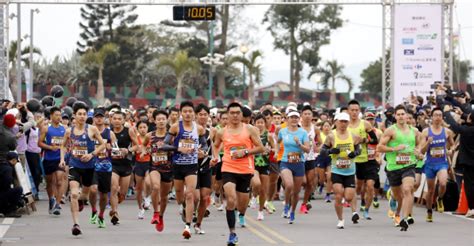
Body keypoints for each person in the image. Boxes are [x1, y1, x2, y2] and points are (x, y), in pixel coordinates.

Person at [211, 102, 264, 246]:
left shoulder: (250, 130)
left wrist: (245, 152)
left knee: (241, 205)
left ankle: (240, 214)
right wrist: (215, 158)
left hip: (246, 170)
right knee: (230, 198)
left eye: (237, 113)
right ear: (227, 115)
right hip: (228, 168)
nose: (235, 115)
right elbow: (215, 146)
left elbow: (261, 148)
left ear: (242, 115)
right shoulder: (222, 132)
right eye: (232, 113)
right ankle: (232, 233)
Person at [60, 102, 106, 236]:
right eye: (79, 114)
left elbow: (103, 145)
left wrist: (91, 154)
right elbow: (63, 146)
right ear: (74, 116)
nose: (82, 116)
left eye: (84, 114)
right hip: (75, 165)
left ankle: (81, 200)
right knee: (74, 193)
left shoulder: (92, 129)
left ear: (87, 116)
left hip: (89, 167)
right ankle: (76, 224)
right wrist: (62, 160)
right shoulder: (69, 131)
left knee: (85, 195)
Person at [377, 105, 424, 231]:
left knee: (408, 189)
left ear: (407, 116)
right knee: (399, 196)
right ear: (395, 116)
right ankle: (396, 210)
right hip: (393, 168)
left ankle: (405, 218)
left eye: (403, 114)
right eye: (398, 114)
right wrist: (394, 149)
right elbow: (379, 147)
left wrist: (418, 152)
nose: (401, 116)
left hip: (409, 165)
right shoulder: (390, 131)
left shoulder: (414, 131)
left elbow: (419, 143)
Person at [166, 101, 207, 239]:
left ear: (194, 114)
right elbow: (163, 145)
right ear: (181, 114)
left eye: (190, 111)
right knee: (179, 195)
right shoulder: (175, 127)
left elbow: (205, 146)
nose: (188, 114)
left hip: (192, 165)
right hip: (177, 165)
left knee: (190, 195)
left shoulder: (199, 129)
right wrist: (178, 149)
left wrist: (203, 152)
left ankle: (187, 227)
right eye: (185, 111)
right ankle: (183, 207)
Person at [321, 112, 362, 229]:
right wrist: (331, 151)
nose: (343, 124)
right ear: (336, 122)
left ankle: (348, 205)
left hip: (349, 170)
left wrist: (355, 153)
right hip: (336, 170)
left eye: (345, 122)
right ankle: (340, 219)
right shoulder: (331, 136)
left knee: (349, 197)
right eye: (341, 121)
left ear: (348, 123)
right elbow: (323, 151)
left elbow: (359, 149)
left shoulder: (354, 136)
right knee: (338, 195)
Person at [420, 107, 454, 222]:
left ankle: (440, 198)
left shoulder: (447, 132)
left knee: (443, 183)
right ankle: (429, 211)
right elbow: (422, 151)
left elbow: (453, 145)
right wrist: (428, 143)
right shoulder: (426, 132)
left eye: (440, 115)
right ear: (432, 117)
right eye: (436, 115)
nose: (438, 117)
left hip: (442, 163)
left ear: (442, 117)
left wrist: (450, 151)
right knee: (430, 191)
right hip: (430, 164)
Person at [276, 110, 310, 224]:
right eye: (292, 117)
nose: (294, 119)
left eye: (296, 117)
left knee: (296, 192)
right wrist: (277, 152)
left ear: (298, 119)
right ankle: (286, 205)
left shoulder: (303, 132)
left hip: (299, 163)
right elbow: (278, 141)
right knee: (289, 184)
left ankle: (292, 212)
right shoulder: (282, 131)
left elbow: (308, 149)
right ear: (287, 119)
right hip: (286, 162)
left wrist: (299, 144)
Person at [347, 100, 379, 221]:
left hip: (367, 160)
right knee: (358, 187)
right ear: (348, 111)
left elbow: (375, 141)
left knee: (370, 186)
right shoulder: (345, 125)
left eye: (356, 110)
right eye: (352, 110)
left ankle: (366, 210)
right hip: (352, 160)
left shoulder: (365, 124)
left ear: (359, 111)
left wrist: (364, 140)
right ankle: (354, 211)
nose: (354, 112)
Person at [143, 110, 173, 232]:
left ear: (167, 120)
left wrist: (170, 149)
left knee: (164, 197)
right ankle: (155, 212)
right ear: (155, 121)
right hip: (154, 167)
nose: (161, 121)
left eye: (163, 119)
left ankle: (160, 216)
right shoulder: (150, 135)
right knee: (155, 187)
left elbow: (176, 147)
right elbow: (144, 145)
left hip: (168, 169)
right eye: (158, 119)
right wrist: (145, 150)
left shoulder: (171, 136)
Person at [442, 103, 474, 218]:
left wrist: (446, 113)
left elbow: (454, 126)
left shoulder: (467, 130)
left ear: (470, 119)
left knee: (470, 186)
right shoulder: (468, 128)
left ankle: (472, 208)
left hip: (469, 162)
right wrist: (463, 114)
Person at [89, 107, 116, 228]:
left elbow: (116, 150)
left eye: (101, 117)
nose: (99, 119)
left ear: (104, 118)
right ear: (93, 118)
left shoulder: (109, 133)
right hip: (91, 165)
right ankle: (94, 209)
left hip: (105, 166)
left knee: (104, 194)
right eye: (97, 117)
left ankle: (101, 214)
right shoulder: (89, 132)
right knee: (93, 189)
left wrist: (112, 148)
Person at [110, 111, 137, 225]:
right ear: (111, 120)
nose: (117, 121)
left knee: (122, 193)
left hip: (126, 165)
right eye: (114, 118)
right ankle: (115, 212)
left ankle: (117, 202)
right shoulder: (108, 132)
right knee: (114, 188)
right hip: (113, 165)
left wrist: (128, 150)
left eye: (119, 119)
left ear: (123, 120)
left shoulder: (128, 131)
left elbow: (137, 145)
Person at [38, 106, 67, 215]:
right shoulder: (46, 128)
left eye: (60, 115)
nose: (59, 117)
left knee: (60, 180)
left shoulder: (64, 128)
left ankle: (58, 205)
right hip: (48, 158)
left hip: (60, 158)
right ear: (51, 116)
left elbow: (68, 143)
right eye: (56, 115)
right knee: (49, 182)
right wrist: (50, 147)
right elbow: (39, 143)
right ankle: (51, 199)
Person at [193, 104, 214, 234]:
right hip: (191, 166)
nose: (202, 117)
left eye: (205, 114)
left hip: (207, 166)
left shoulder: (213, 131)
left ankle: (198, 224)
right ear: (196, 116)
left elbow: (216, 148)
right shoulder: (190, 130)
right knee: (194, 197)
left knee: (204, 196)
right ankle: (188, 210)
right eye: (200, 114)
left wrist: (214, 158)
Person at [252, 114, 275, 220]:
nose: (260, 125)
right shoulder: (251, 135)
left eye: (262, 122)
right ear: (254, 123)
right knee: (256, 183)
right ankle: (253, 196)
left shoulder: (268, 135)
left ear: (265, 124)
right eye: (258, 122)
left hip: (265, 164)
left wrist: (270, 150)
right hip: (253, 164)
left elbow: (275, 149)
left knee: (264, 190)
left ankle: (260, 211)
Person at [300, 105, 321, 214]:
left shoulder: (315, 128)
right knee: (302, 181)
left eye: (309, 114)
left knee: (310, 183)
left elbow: (321, 142)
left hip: (311, 158)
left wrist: (318, 147)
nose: (307, 116)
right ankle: (290, 201)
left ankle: (304, 203)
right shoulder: (298, 127)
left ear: (312, 116)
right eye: (305, 114)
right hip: (299, 158)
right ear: (301, 116)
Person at [131, 121, 151, 220]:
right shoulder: (136, 139)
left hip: (149, 163)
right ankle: (140, 208)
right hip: (138, 164)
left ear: (147, 128)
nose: (143, 129)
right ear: (138, 129)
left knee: (148, 182)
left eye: (144, 127)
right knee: (138, 189)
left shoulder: (150, 138)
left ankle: (147, 197)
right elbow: (133, 149)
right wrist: (134, 150)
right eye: (141, 127)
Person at [0, 152, 23, 218]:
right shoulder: (8, 169)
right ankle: (9, 211)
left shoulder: (2, 165)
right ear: (13, 160)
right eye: (16, 161)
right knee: (19, 189)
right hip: (1, 194)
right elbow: (7, 183)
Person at [316, 121, 333, 203]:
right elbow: (317, 146)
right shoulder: (319, 135)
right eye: (325, 126)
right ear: (322, 127)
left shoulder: (333, 135)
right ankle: (321, 185)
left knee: (329, 176)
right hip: (321, 157)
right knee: (321, 178)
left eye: (328, 126)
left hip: (330, 157)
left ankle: (328, 195)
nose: (326, 128)